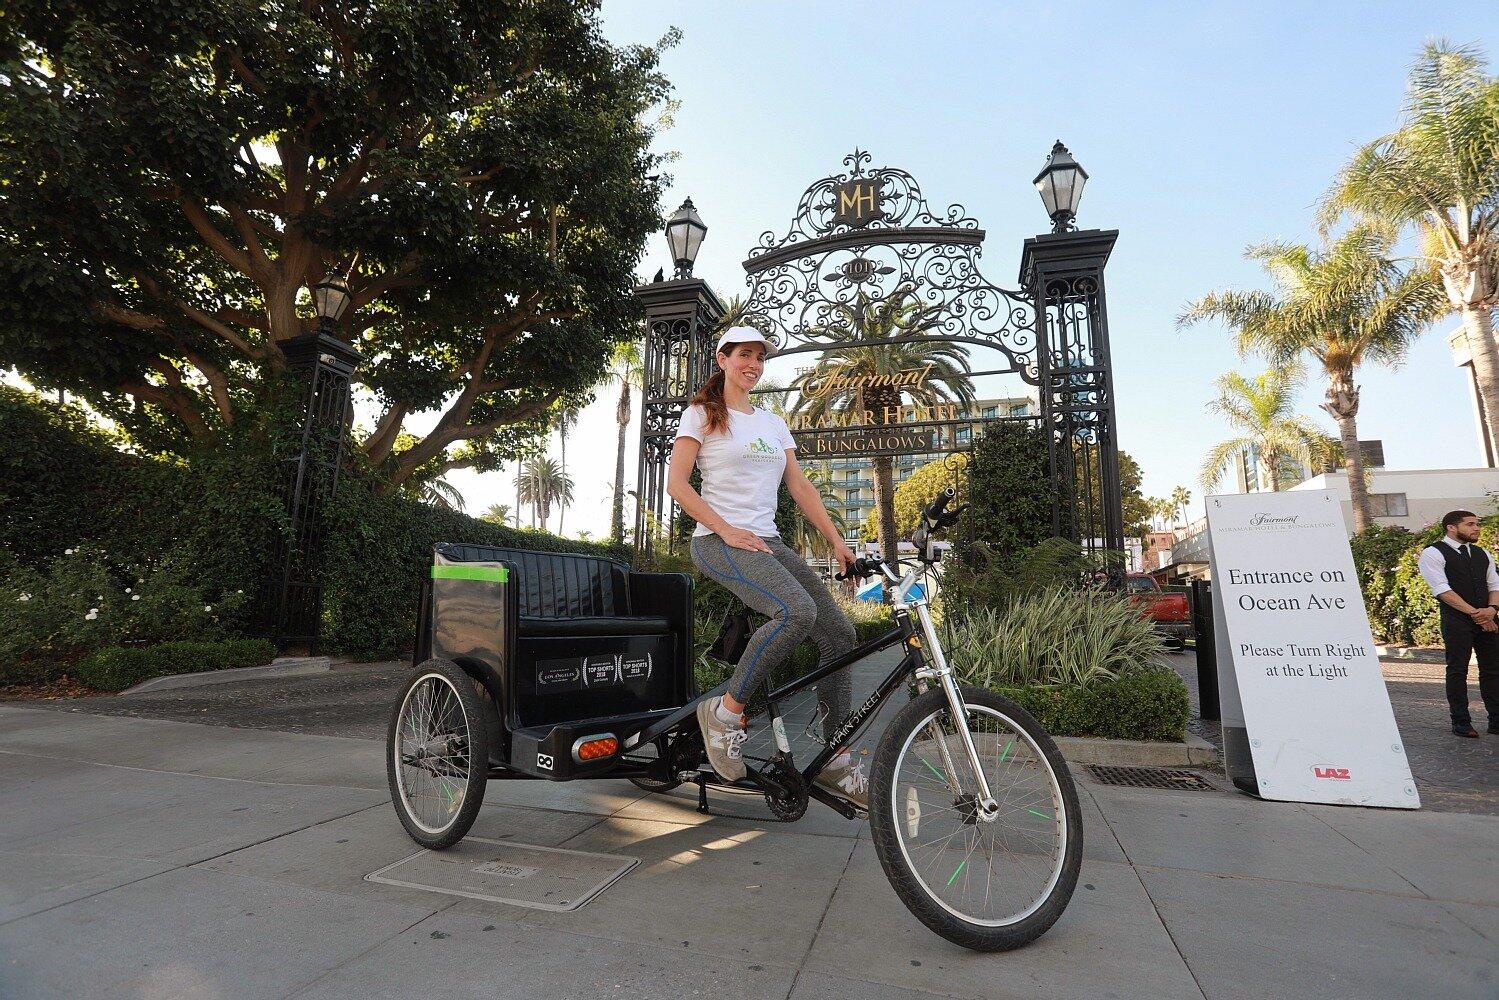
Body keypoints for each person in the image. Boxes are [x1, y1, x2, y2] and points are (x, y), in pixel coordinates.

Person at [666, 325, 867, 806]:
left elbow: (800, 488)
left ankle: (835, 758)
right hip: (719, 542)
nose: (753, 365)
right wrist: (725, 528)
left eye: (760, 358)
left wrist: (839, 544)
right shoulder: (701, 416)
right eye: (744, 355)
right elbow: (677, 484)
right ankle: (726, 714)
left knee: (840, 633)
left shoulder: (773, 424)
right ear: (723, 359)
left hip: (768, 543)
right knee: (796, 611)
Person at [1417, 510, 1499, 737]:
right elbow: (1442, 590)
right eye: (1470, 524)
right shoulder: (1433, 553)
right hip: (1457, 620)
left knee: (1494, 670)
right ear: (1451, 527)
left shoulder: (1483, 553)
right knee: (1457, 671)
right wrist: (1477, 614)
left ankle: (1496, 721)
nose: (1476, 528)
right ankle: (1461, 722)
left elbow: (1495, 584)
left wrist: (1491, 610)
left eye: (1477, 524)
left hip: (1488, 617)